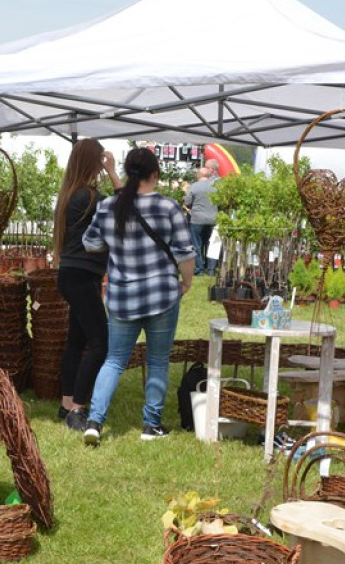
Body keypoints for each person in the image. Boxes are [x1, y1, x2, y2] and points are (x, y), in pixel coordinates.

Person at [81, 147, 196, 446]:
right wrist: (186, 283)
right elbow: (185, 253)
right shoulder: (169, 207)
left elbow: (90, 243)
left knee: (115, 360)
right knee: (158, 361)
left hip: (122, 297)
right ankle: (151, 425)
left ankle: (94, 422)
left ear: (128, 172)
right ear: (155, 174)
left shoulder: (108, 206)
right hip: (162, 295)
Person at [53, 139, 122, 432]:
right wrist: (113, 171)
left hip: (72, 274)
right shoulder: (90, 197)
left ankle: (67, 403)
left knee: (76, 342)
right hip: (82, 276)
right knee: (100, 344)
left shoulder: (70, 194)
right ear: (93, 162)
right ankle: (78, 408)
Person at [183, 158, 220, 276]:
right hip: (213, 219)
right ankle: (211, 269)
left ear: (199, 175)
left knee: (196, 245)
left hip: (197, 219)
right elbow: (221, 203)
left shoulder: (194, 186)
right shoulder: (216, 187)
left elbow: (187, 202)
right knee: (211, 245)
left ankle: (199, 269)